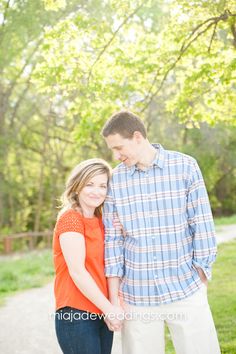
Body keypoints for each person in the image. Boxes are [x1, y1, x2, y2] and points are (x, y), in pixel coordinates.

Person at [101, 111, 221, 354]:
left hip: (186, 287)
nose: (115, 156)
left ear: (137, 137)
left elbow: (203, 224)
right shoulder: (115, 181)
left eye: (118, 147)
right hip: (137, 295)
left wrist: (202, 275)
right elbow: (112, 241)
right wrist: (114, 299)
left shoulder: (185, 167)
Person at [53, 158, 124, 354]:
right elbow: (78, 272)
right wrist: (110, 309)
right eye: (90, 184)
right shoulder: (70, 219)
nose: (97, 191)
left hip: (101, 311)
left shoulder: (102, 221)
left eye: (103, 185)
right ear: (77, 187)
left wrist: (111, 307)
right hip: (76, 314)